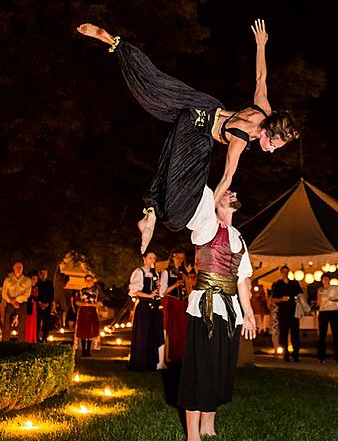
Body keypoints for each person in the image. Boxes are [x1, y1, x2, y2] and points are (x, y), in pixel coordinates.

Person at [77, 20, 299, 252]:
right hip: (197, 126)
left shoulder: (263, 108)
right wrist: (211, 211)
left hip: (203, 104)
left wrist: (261, 44)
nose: (272, 149)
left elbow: (261, 77)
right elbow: (226, 177)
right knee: (182, 182)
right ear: (267, 131)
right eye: (273, 143)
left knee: (157, 85)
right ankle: (151, 212)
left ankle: (114, 41)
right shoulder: (241, 138)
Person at [177, 186, 256, 441]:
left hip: (229, 310)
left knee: (221, 368)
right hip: (205, 308)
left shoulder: (239, 237)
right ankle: (193, 438)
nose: (232, 193)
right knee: (201, 370)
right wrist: (225, 177)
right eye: (227, 192)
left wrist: (249, 313)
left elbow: (243, 279)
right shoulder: (206, 225)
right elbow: (207, 189)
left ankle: (209, 427)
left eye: (235, 192)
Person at [128, 250, 165, 371]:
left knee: (152, 334)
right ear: (144, 259)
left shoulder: (155, 273)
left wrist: (158, 289)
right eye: (150, 258)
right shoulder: (139, 272)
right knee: (142, 335)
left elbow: (157, 291)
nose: (152, 260)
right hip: (143, 307)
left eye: (154, 258)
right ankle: (140, 363)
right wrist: (149, 295)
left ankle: (150, 363)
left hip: (154, 308)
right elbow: (134, 291)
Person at [159, 249, 188, 364]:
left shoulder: (183, 272)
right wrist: (175, 285)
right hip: (171, 302)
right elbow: (162, 292)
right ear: (173, 258)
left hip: (181, 303)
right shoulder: (167, 272)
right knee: (171, 330)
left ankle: (181, 356)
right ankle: (168, 356)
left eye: (182, 258)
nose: (180, 260)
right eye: (178, 258)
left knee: (182, 330)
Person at [272, 266, 303, 362]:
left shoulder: (294, 283)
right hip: (283, 312)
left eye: (286, 271)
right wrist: (282, 299)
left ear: (289, 272)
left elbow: (301, 295)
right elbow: (274, 299)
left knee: (295, 334)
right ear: (281, 272)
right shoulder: (278, 284)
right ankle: (285, 354)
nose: (285, 273)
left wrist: (299, 299)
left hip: (294, 312)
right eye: (283, 271)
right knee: (283, 334)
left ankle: (296, 355)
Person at [317, 274, 338, 364]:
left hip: (333, 311)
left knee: (336, 334)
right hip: (323, 312)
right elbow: (318, 303)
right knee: (322, 335)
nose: (325, 280)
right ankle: (321, 356)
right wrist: (320, 295)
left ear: (329, 280)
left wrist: (332, 300)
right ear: (321, 280)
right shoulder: (320, 290)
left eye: (327, 279)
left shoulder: (335, 288)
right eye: (324, 279)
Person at [1, 262, 31, 342]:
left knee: (21, 327)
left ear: (22, 269)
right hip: (10, 304)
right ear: (14, 268)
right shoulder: (8, 280)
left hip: (22, 304)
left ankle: (20, 345)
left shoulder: (27, 280)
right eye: (17, 267)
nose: (18, 269)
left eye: (20, 267)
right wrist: (11, 301)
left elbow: (27, 293)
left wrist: (17, 300)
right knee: (7, 326)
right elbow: (4, 293)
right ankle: (5, 345)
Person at [75, 274, 101, 357]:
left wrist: (94, 305)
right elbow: (77, 302)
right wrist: (85, 304)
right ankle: (83, 351)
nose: (89, 282)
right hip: (83, 312)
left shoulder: (96, 292)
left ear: (93, 281)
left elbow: (99, 303)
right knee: (83, 331)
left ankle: (88, 351)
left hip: (92, 312)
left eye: (90, 280)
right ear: (85, 281)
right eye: (87, 280)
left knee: (91, 331)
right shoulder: (81, 291)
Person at [36, 268, 55, 343]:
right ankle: (37, 338)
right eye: (42, 273)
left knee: (46, 323)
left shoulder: (50, 283)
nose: (44, 275)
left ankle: (44, 338)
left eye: (45, 273)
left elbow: (51, 295)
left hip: (47, 305)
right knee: (37, 322)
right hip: (39, 305)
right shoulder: (37, 283)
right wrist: (40, 303)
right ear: (40, 274)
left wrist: (47, 304)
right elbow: (36, 295)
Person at [25, 273, 39, 342]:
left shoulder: (36, 287)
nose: (34, 280)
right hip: (29, 306)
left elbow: (38, 297)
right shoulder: (28, 287)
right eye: (33, 278)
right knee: (28, 322)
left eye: (36, 279)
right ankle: (27, 338)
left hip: (34, 307)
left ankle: (32, 338)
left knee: (33, 322)